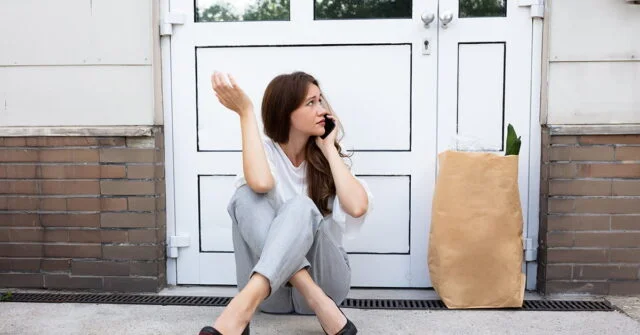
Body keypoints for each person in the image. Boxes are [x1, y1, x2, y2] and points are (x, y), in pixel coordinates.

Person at [199, 71, 373, 335]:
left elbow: (358, 206)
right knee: (244, 196)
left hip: (327, 282)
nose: (322, 110)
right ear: (285, 112)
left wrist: (328, 148)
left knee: (301, 206)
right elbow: (259, 184)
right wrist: (246, 112)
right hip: (275, 297)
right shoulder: (265, 153)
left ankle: (240, 310)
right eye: (310, 103)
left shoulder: (330, 155)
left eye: (320, 101)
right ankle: (312, 296)